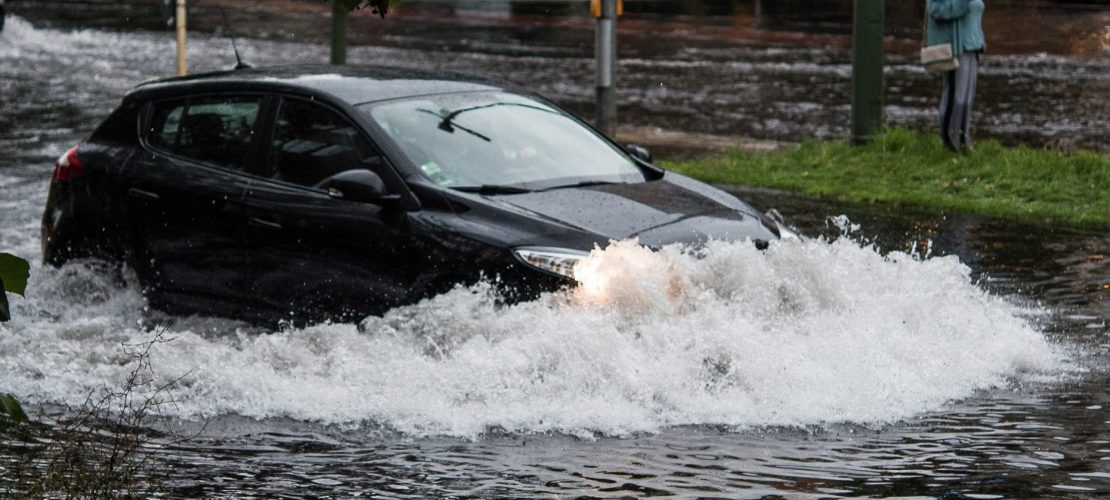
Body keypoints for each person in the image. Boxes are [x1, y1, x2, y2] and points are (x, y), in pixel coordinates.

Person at [926, 0, 986, 152]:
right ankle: (950, 142)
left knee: (966, 98)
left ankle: (963, 139)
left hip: (973, 46)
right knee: (955, 97)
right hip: (956, 49)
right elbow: (935, 10)